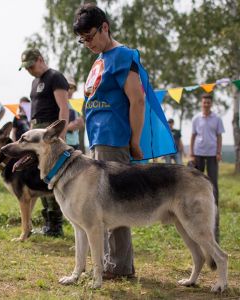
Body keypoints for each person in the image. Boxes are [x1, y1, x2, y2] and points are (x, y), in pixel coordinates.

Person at [73, 3, 175, 279]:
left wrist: (133, 139)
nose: (87, 43)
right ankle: (109, 262)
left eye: (90, 36)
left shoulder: (122, 56)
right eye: (82, 40)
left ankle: (119, 266)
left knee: (113, 204)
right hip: (98, 140)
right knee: (101, 205)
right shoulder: (100, 59)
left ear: (104, 27)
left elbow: (137, 99)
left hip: (114, 140)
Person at [19, 48, 70, 237]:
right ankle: (48, 221)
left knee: (54, 178)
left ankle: (56, 224)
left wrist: (61, 136)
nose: (29, 70)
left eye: (31, 66)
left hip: (51, 133)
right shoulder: (34, 81)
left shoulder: (55, 77)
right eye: (26, 68)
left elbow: (64, 109)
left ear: (40, 59)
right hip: (37, 133)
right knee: (41, 178)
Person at [190, 93, 224, 242]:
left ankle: (213, 203)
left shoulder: (217, 119)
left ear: (211, 104)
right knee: (196, 182)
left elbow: (219, 136)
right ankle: (196, 202)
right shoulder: (196, 118)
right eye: (204, 102)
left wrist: (218, 152)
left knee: (213, 182)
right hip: (198, 153)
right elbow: (192, 136)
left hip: (211, 154)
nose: (206, 105)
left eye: (208, 103)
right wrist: (191, 153)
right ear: (201, 103)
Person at [66, 78, 84, 150]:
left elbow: (82, 125)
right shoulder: (57, 104)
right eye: (67, 87)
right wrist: (67, 128)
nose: (69, 90)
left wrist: (81, 124)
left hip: (75, 143)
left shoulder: (76, 104)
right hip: (63, 143)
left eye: (72, 87)